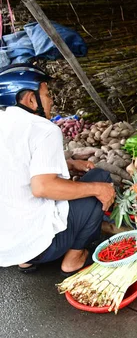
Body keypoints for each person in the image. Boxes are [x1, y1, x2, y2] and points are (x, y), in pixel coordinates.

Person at [0, 65, 116, 276]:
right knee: (101, 179)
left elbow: (15, 165)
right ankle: (73, 259)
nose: (51, 101)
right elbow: (43, 187)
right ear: (30, 99)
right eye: (46, 94)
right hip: (42, 247)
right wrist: (98, 188)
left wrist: (69, 163)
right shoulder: (44, 129)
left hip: (6, 248)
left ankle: (25, 262)